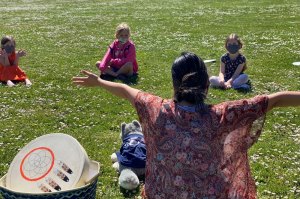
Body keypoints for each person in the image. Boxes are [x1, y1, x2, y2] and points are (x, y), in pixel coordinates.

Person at [73, 52, 300, 198]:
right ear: (206, 86)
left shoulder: (155, 108)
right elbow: (276, 99)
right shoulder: (222, 115)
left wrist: (100, 81)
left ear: (174, 85)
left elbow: (125, 90)